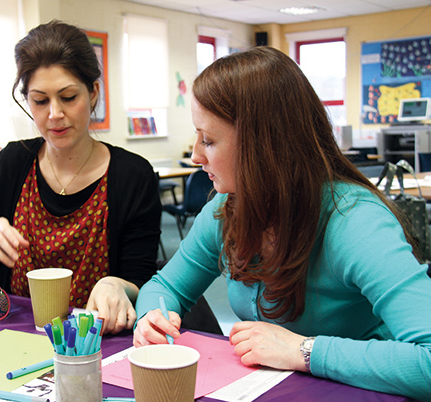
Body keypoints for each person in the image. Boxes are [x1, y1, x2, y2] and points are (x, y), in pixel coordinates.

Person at [133, 46, 431, 399]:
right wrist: (152, 318)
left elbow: (426, 361)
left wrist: (304, 350)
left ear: (263, 144)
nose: (197, 155)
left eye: (209, 140)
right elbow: (164, 286)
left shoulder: (354, 221)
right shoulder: (228, 210)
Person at [0, 20, 162, 335]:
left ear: (93, 92)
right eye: (40, 101)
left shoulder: (132, 176)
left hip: (95, 342)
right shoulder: (13, 164)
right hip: (13, 336)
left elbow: (143, 281)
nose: (54, 114)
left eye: (68, 97)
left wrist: (119, 286)